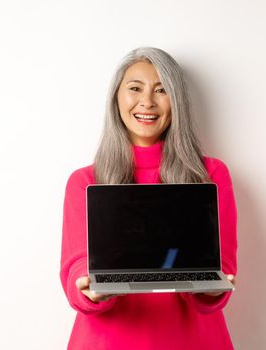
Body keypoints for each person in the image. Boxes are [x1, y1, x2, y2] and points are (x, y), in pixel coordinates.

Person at [60, 47, 238, 350]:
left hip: (191, 341)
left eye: (162, 90)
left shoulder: (211, 173)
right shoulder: (85, 181)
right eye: (135, 88)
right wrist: (89, 289)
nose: (147, 102)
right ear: (116, 98)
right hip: (109, 341)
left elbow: (222, 265)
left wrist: (211, 288)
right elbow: (76, 266)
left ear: (177, 102)